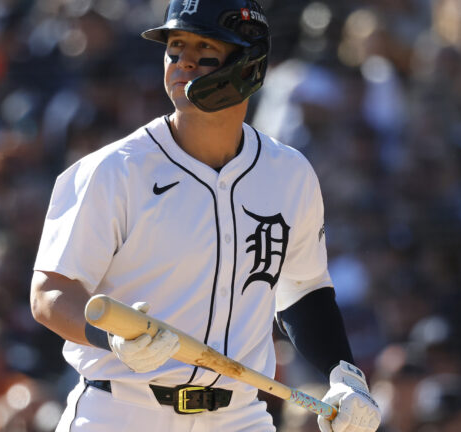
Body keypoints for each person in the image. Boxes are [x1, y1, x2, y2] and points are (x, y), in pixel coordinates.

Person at [30, 1, 381, 431]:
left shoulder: (288, 173)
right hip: (121, 409)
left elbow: (304, 288)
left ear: (249, 64)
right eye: (175, 48)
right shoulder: (114, 169)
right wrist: (113, 339)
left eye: (204, 50)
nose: (184, 62)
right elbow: (49, 293)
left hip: (238, 416)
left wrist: (343, 375)